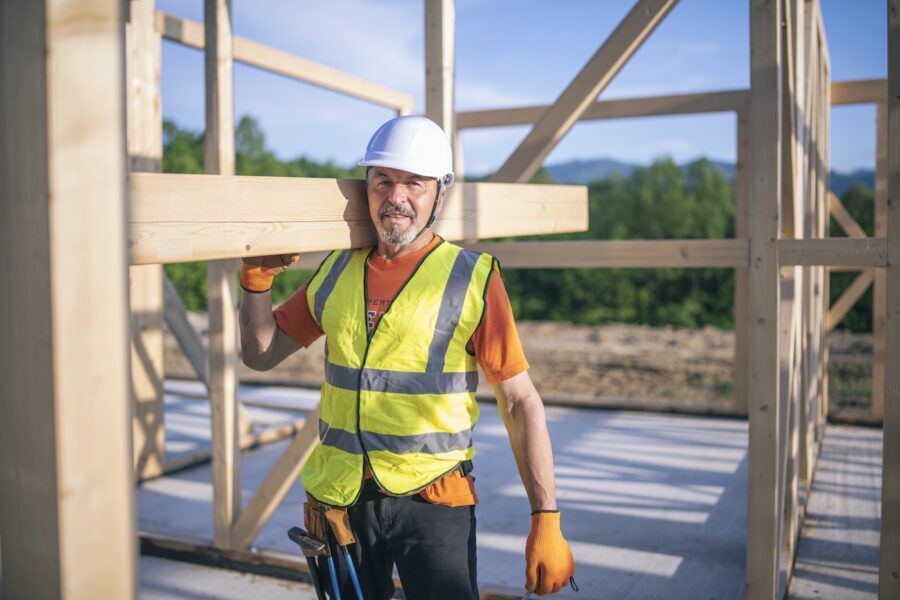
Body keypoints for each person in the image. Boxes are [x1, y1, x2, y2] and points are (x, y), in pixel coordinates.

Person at [239, 115, 575, 599]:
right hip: (341, 500)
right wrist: (255, 284)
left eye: (413, 183)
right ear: (367, 188)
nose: (396, 196)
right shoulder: (337, 271)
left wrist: (546, 517)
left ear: (440, 191)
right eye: (383, 181)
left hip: (434, 499)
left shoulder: (470, 278)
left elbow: (521, 400)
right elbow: (261, 353)